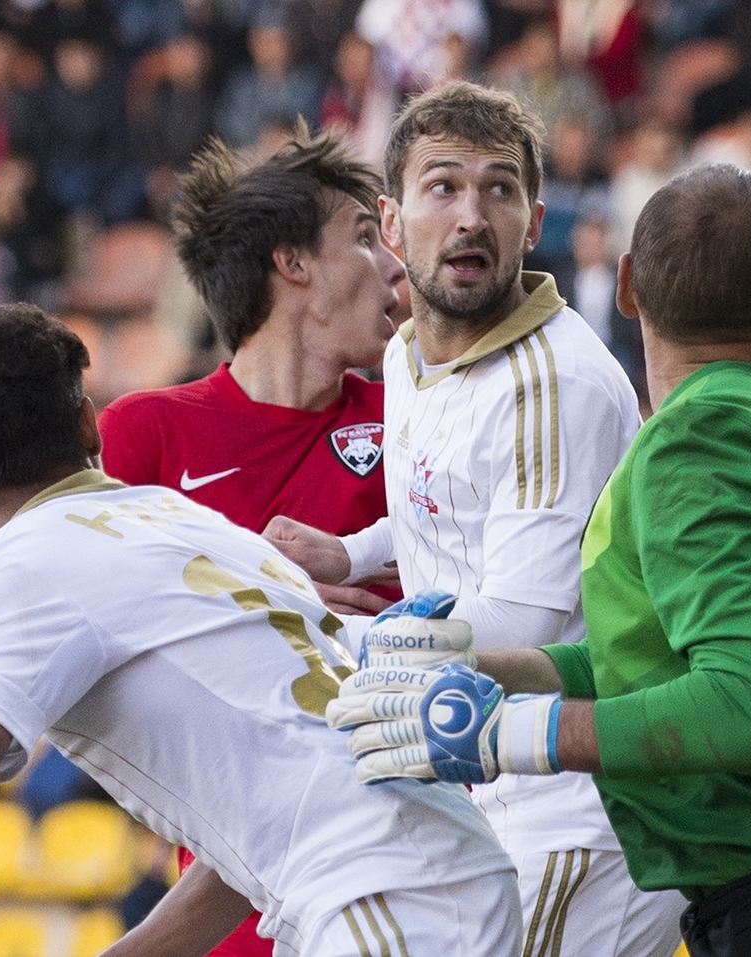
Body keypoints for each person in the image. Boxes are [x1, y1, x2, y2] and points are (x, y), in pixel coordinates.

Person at [313, 164, 751, 957]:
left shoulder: (701, 435)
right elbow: (669, 662)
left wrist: (505, 734)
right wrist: (493, 668)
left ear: (626, 286)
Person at [0, 304, 521, 957]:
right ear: (87, 422)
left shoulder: (8, 569)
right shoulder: (185, 520)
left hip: (377, 889)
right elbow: (255, 830)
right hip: (428, 868)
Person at [264, 81, 685, 956]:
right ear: (391, 223)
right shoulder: (405, 354)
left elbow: (523, 625)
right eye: (443, 187)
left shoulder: (553, 384)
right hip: (485, 775)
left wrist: (338, 637)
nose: (471, 215)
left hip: (582, 810)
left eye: (500, 189)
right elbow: (450, 504)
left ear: (533, 224)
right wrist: (348, 553)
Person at [98, 126, 406, 955]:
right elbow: (97, 656)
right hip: (237, 901)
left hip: (414, 877)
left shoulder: (418, 420)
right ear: (292, 262)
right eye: (365, 237)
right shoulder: (145, 434)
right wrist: (273, 599)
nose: (394, 266)